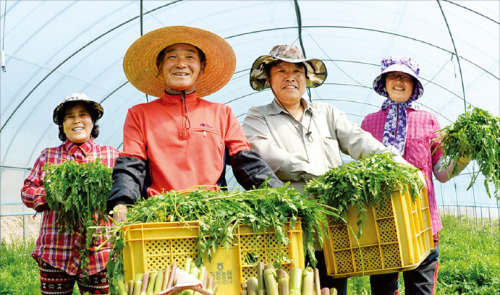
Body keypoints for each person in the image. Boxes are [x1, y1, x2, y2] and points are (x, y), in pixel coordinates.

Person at [242, 45, 412, 295]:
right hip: (290, 230)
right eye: (281, 70)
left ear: (306, 78)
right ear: (268, 78)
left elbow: (359, 141)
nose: (290, 76)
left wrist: (400, 164)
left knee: (332, 290)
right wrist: (318, 174)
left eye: (297, 71)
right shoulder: (258, 117)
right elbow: (266, 154)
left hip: (332, 231)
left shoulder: (326, 113)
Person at [107, 26, 283, 222]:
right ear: (160, 66)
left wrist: (278, 194)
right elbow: (132, 164)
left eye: (190, 57)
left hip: (214, 216)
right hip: (160, 216)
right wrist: (121, 202)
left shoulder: (221, 113)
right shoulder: (139, 114)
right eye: (172, 57)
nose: (181, 64)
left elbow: (246, 163)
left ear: (202, 66)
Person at [361, 56, 471, 295]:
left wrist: (464, 155)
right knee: (383, 290)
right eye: (393, 76)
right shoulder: (369, 122)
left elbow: (441, 172)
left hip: (423, 222)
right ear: (384, 82)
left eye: (405, 77)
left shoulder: (428, 120)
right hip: (382, 222)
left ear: (414, 85)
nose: (399, 81)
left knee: (420, 289)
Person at [21, 93, 120, 295]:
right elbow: (27, 192)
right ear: (62, 125)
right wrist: (52, 195)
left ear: (93, 121)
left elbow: (124, 194)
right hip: (56, 252)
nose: (76, 120)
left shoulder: (111, 155)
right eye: (69, 116)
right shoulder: (48, 156)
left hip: (99, 253)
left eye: (83, 115)